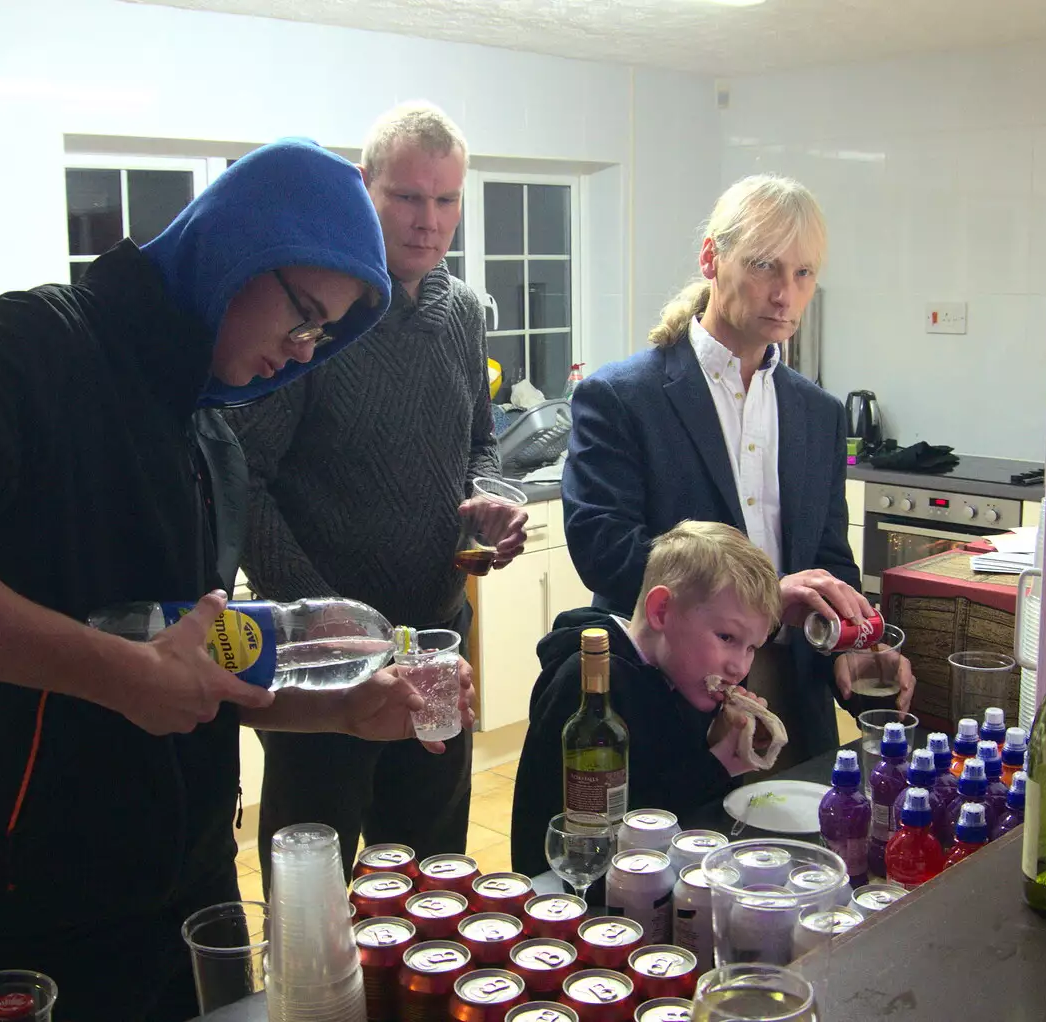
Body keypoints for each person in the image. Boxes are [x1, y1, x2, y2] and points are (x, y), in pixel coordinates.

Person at [0, 139, 471, 1022]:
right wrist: (115, 673)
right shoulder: (37, 346)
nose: (301, 352)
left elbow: (195, 668)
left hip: (184, 880)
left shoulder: (211, 435)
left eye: (324, 335)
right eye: (303, 315)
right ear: (239, 249)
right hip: (31, 893)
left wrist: (345, 709)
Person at [226, 102, 524, 890]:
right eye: (408, 197)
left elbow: (480, 445)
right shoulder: (318, 316)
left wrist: (489, 500)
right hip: (323, 664)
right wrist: (338, 625)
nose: (430, 222)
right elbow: (245, 483)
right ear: (365, 189)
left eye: (447, 200)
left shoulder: (461, 314)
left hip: (435, 643)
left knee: (430, 872)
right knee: (314, 886)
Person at [561, 174, 914, 770]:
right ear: (711, 258)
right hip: (671, 701)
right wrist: (760, 604)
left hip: (793, 701)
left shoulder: (818, 414)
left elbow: (829, 559)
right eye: (765, 267)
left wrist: (845, 647)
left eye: (803, 274)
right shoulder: (621, 398)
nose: (785, 293)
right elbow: (605, 552)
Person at [510, 521, 782, 876]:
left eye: (752, 648)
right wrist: (718, 765)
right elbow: (621, 829)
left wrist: (721, 743)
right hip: (572, 894)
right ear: (661, 611)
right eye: (727, 637)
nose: (739, 666)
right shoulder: (589, 686)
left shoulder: (683, 678)